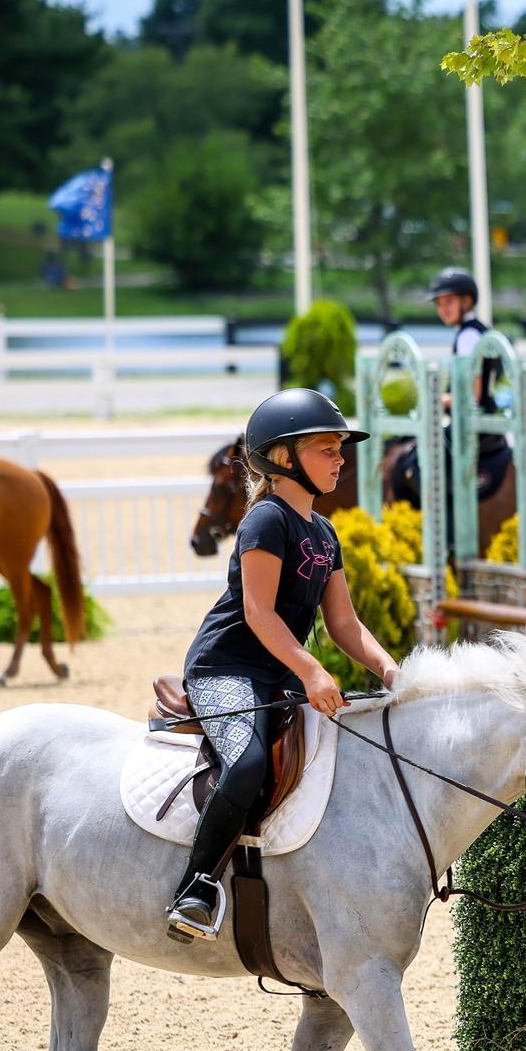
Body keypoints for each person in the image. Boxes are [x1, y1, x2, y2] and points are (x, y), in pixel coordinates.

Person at [165, 387, 397, 943]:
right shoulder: (266, 520)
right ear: (283, 457)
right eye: (327, 449)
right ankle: (196, 887)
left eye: (340, 449)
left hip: (278, 672)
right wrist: (312, 671)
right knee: (247, 764)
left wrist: (394, 673)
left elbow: (345, 625)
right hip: (227, 669)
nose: (340, 460)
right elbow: (259, 612)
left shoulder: (325, 532)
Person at [427, 267, 512, 498]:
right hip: (486, 422)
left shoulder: (467, 336)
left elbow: (470, 398)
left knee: (421, 462)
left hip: (472, 426)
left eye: (449, 302)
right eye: (439, 304)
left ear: (466, 301)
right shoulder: (477, 331)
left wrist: (437, 400)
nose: (443, 309)